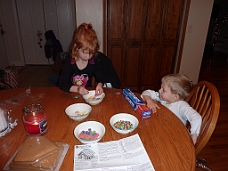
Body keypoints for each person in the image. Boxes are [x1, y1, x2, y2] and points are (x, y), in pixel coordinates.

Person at [141, 73, 202, 144]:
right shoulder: (163, 98)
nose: (159, 90)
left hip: (174, 139)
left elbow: (196, 117)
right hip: (162, 131)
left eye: (163, 90)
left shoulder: (181, 106)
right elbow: (146, 92)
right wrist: (149, 100)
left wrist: (194, 134)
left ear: (175, 97)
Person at [59, 23, 104, 96]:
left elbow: (100, 76)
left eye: (91, 53)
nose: (88, 57)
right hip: (71, 94)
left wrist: (100, 84)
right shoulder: (70, 61)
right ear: (76, 47)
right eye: (85, 53)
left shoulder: (93, 61)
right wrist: (77, 89)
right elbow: (62, 83)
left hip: (87, 94)